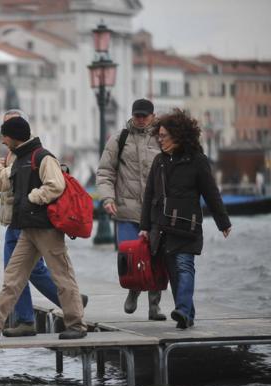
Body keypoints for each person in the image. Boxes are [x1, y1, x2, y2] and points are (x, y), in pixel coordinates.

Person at [0, 117, 87, 340]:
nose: (3, 141)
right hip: (27, 229)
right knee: (13, 277)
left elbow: (56, 185)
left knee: (62, 276)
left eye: (4, 137)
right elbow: (2, 182)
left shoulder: (43, 157)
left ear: (13, 136)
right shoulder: (21, 159)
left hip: (46, 229)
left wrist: (33, 197)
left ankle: (77, 325)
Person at [139, 109, 232, 329]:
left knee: (184, 267)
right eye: (158, 136)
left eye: (164, 136)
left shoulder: (197, 161)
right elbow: (149, 195)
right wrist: (144, 227)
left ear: (178, 135)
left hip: (187, 226)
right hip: (163, 227)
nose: (160, 140)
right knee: (174, 274)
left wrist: (223, 222)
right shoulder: (159, 162)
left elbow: (211, 193)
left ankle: (181, 309)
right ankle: (187, 314)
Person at [96, 98, 166, 321]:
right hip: (127, 210)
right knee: (129, 256)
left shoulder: (163, 139)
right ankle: (133, 291)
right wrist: (107, 198)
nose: (141, 119)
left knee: (156, 258)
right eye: (137, 115)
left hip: (156, 211)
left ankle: (154, 305)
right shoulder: (120, 139)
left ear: (153, 116)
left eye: (145, 115)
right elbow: (105, 172)